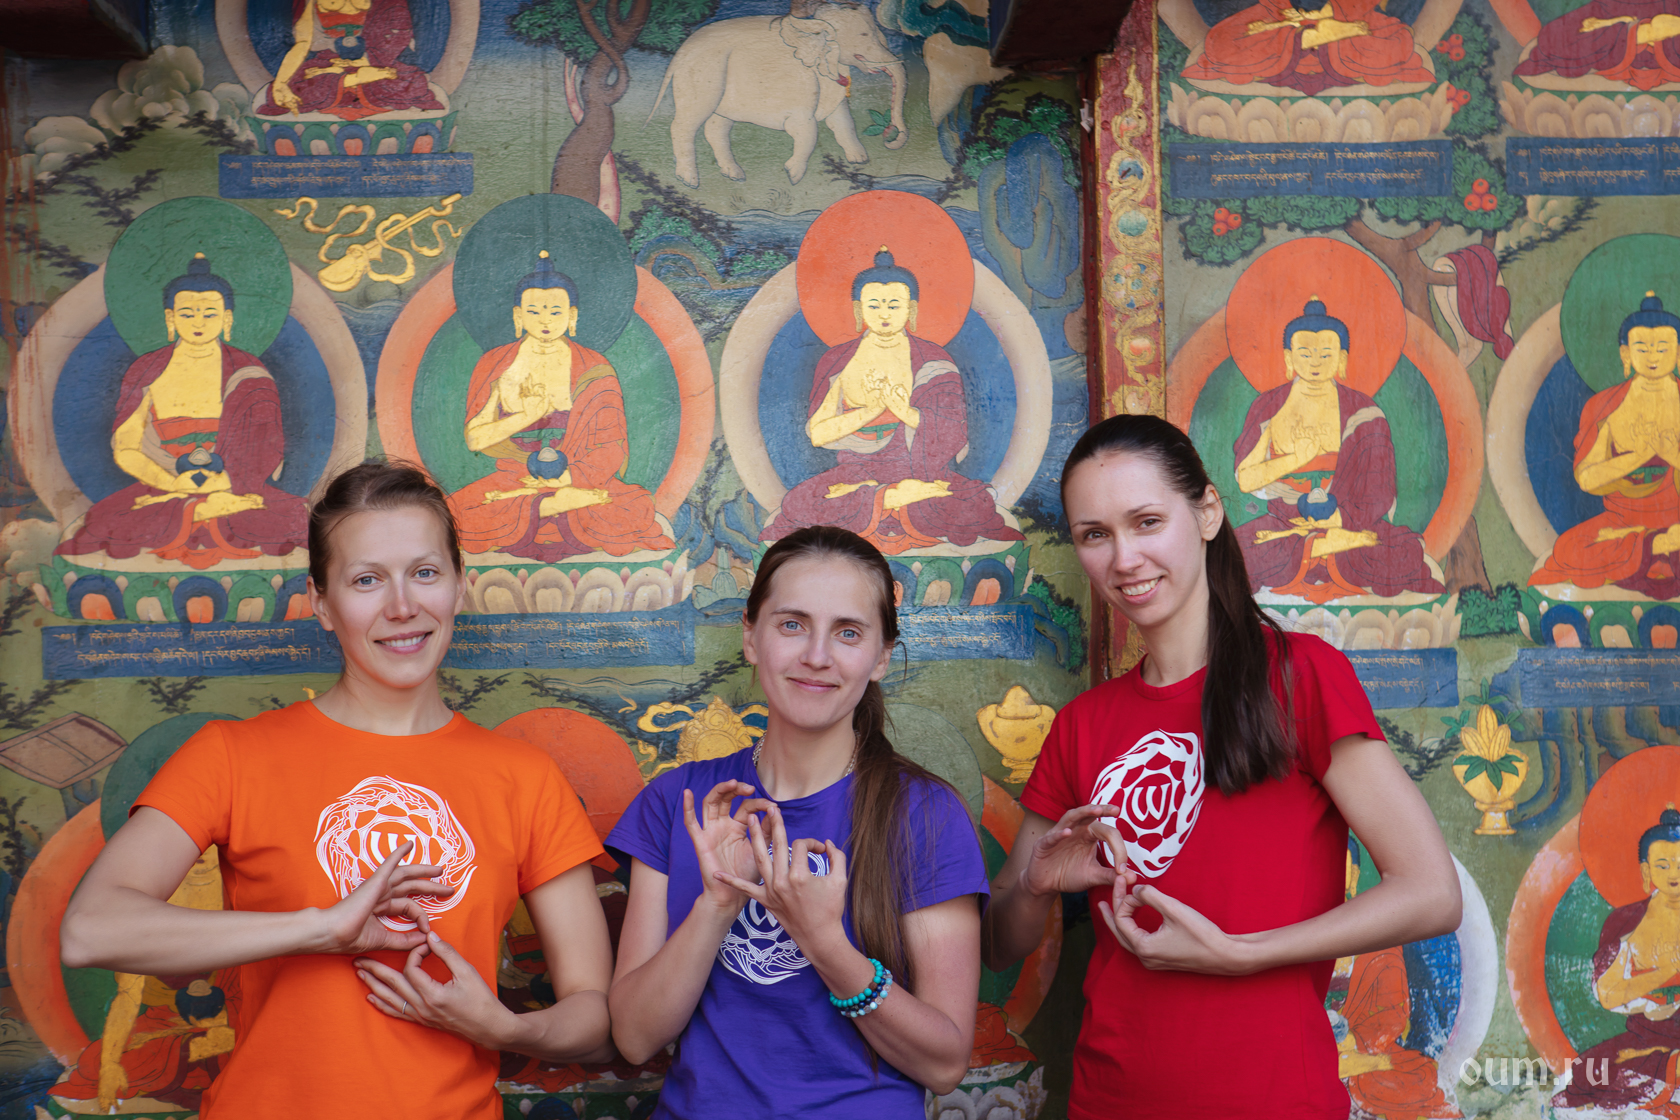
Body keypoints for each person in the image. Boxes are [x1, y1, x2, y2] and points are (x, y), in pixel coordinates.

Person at [59, 460, 614, 1118]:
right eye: (366, 580)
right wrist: (322, 929)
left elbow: (594, 1018)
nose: (402, 606)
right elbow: (90, 931)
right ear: (321, 603)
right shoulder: (233, 755)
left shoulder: (525, 778)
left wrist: (504, 1028)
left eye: (425, 572)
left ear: (459, 586)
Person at [981, 414, 1462, 1119]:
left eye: (1147, 522)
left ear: (1207, 512)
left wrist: (1244, 954)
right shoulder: (1083, 725)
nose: (1124, 559)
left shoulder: (1299, 677)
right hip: (1108, 1099)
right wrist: (1034, 885)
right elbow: (1000, 946)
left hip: (1274, 1100)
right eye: (1095, 535)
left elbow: (1431, 893)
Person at [606, 525, 990, 1117]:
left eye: (848, 632)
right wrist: (718, 902)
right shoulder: (678, 800)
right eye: (792, 625)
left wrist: (823, 940)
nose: (816, 655)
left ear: (881, 656)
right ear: (750, 637)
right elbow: (635, 1037)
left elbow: (943, 1064)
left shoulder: (925, 814)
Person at [760, 249, 1024, 554]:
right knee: (798, 504)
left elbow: (952, 433)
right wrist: (871, 411)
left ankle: (888, 496)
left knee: (971, 506)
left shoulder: (933, 360)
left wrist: (905, 412)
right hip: (855, 473)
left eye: (894, 305)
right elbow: (819, 434)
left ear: (911, 308)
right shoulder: (839, 360)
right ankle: (893, 497)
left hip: (919, 471)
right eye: (874, 305)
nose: (884, 314)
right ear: (858, 309)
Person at [56, 253, 308, 571]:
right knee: (105, 520)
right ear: (170, 318)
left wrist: (225, 482)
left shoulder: (249, 372)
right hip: (165, 487)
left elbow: (266, 447)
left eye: (210, 313)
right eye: (187, 314)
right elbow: (126, 447)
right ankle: (203, 512)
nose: (198, 323)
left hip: (233, 487)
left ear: (227, 319)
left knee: (296, 518)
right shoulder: (147, 370)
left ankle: (201, 511)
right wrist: (172, 484)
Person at [447, 251, 674, 561]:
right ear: (518, 316)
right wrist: (527, 416)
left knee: (634, 508)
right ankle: (553, 505)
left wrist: (568, 479)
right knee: (458, 513)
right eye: (533, 311)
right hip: (515, 479)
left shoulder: (594, 367)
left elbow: (611, 447)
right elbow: (475, 439)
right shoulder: (496, 364)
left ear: (572, 316)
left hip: (577, 478)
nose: (545, 321)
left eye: (555, 311)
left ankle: (549, 504)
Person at [1233, 297, 1443, 599]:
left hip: (1349, 523)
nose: (1315, 362)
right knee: (1239, 552)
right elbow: (1246, 479)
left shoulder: (1364, 412)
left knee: (1403, 552)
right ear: (1289, 358)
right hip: (1285, 524)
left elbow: (1380, 490)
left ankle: (1320, 546)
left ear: (1342, 358)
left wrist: (1339, 520)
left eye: (1326, 354)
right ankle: (1323, 546)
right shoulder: (1269, 407)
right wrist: (1295, 459)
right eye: (1305, 353)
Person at [1529, 292, 1680, 598]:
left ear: (1678, 352)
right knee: (1568, 548)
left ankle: (1650, 550)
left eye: (1663, 348)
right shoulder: (1606, 406)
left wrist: (1669, 454)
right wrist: (1636, 456)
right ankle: (1656, 547)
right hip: (1622, 523)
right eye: (1642, 348)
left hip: (1674, 517)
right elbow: (1587, 478)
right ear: (1625, 354)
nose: (1652, 357)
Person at [1552, 806, 1680, 1115]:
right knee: (1586, 1071)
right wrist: (1666, 972)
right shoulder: (1628, 922)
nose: (1674, 874)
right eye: (1663, 865)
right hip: (1644, 1038)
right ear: (1646, 871)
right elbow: (1608, 995)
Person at [1181, 0, 1432, 96]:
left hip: (1345, 17)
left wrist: (1327, 14)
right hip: (1280, 18)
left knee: (1398, 42)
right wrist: (1285, 17)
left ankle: (1314, 36)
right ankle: (1312, 37)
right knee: (1219, 43)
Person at [260, 0, 444, 119]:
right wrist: (281, 83)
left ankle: (352, 79)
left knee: (415, 82)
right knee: (288, 90)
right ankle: (354, 79)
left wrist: (363, 62)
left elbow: (398, 33)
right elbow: (302, 43)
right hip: (329, 62)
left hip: (377, 59)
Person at [1513, 0, 1680, 92]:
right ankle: (1642, 34)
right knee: (1551, 38)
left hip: (1669, 12)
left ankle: (1638, 34)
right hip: (1607, 12)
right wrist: (1619, 26)